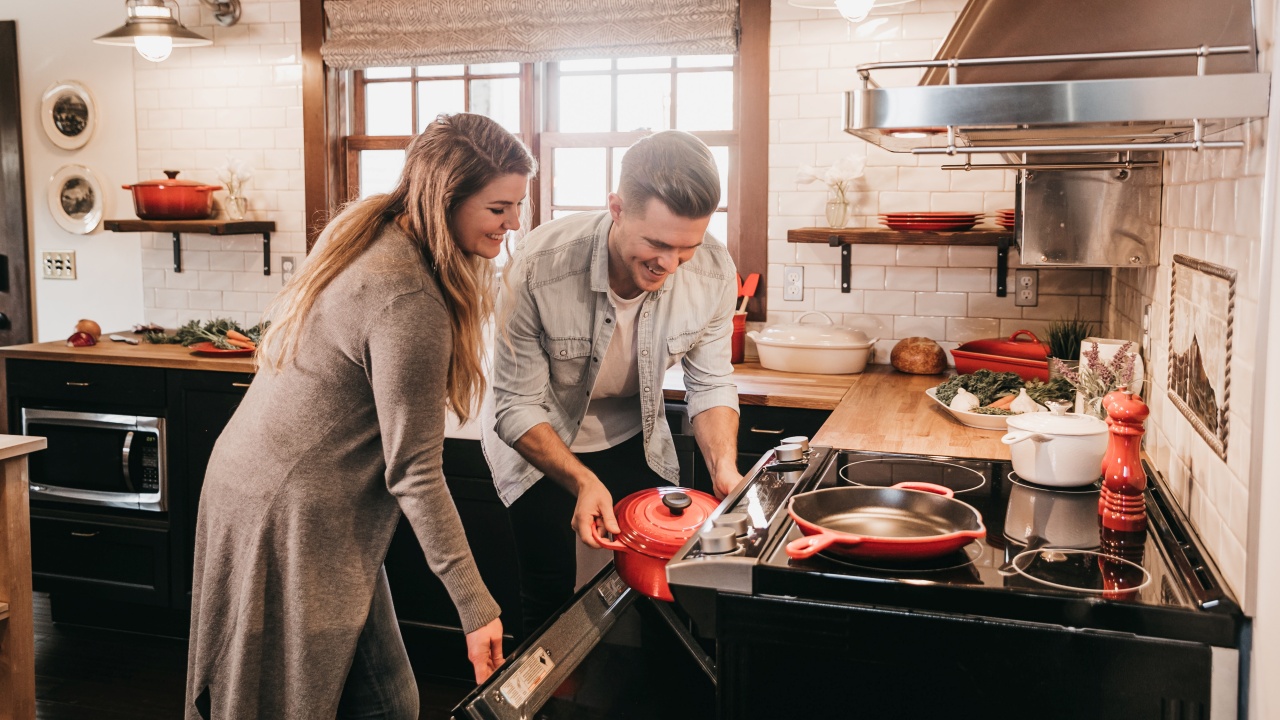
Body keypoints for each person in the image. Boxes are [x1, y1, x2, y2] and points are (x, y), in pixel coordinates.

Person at [185, 113, 536, 720]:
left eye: (517, 206)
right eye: (499, 208)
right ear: (445, 197)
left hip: (256, 484)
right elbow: (417, 473)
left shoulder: (371, 228)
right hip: (293, 509)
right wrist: (478, 609)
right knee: (368, 703)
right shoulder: (408, 297)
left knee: (379, 696)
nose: (513, 223)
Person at [481, 130, 742, 636]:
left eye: (685, 248)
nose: (669, 265)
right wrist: (581, 481)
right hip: (540, 442)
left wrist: (724, 468)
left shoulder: (712, 269)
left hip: (635, 437)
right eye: (657, 244)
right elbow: (515, 404)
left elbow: (709, 382)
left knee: (664, 594)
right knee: (550, 598)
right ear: (617, 208)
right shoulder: (539, 265)